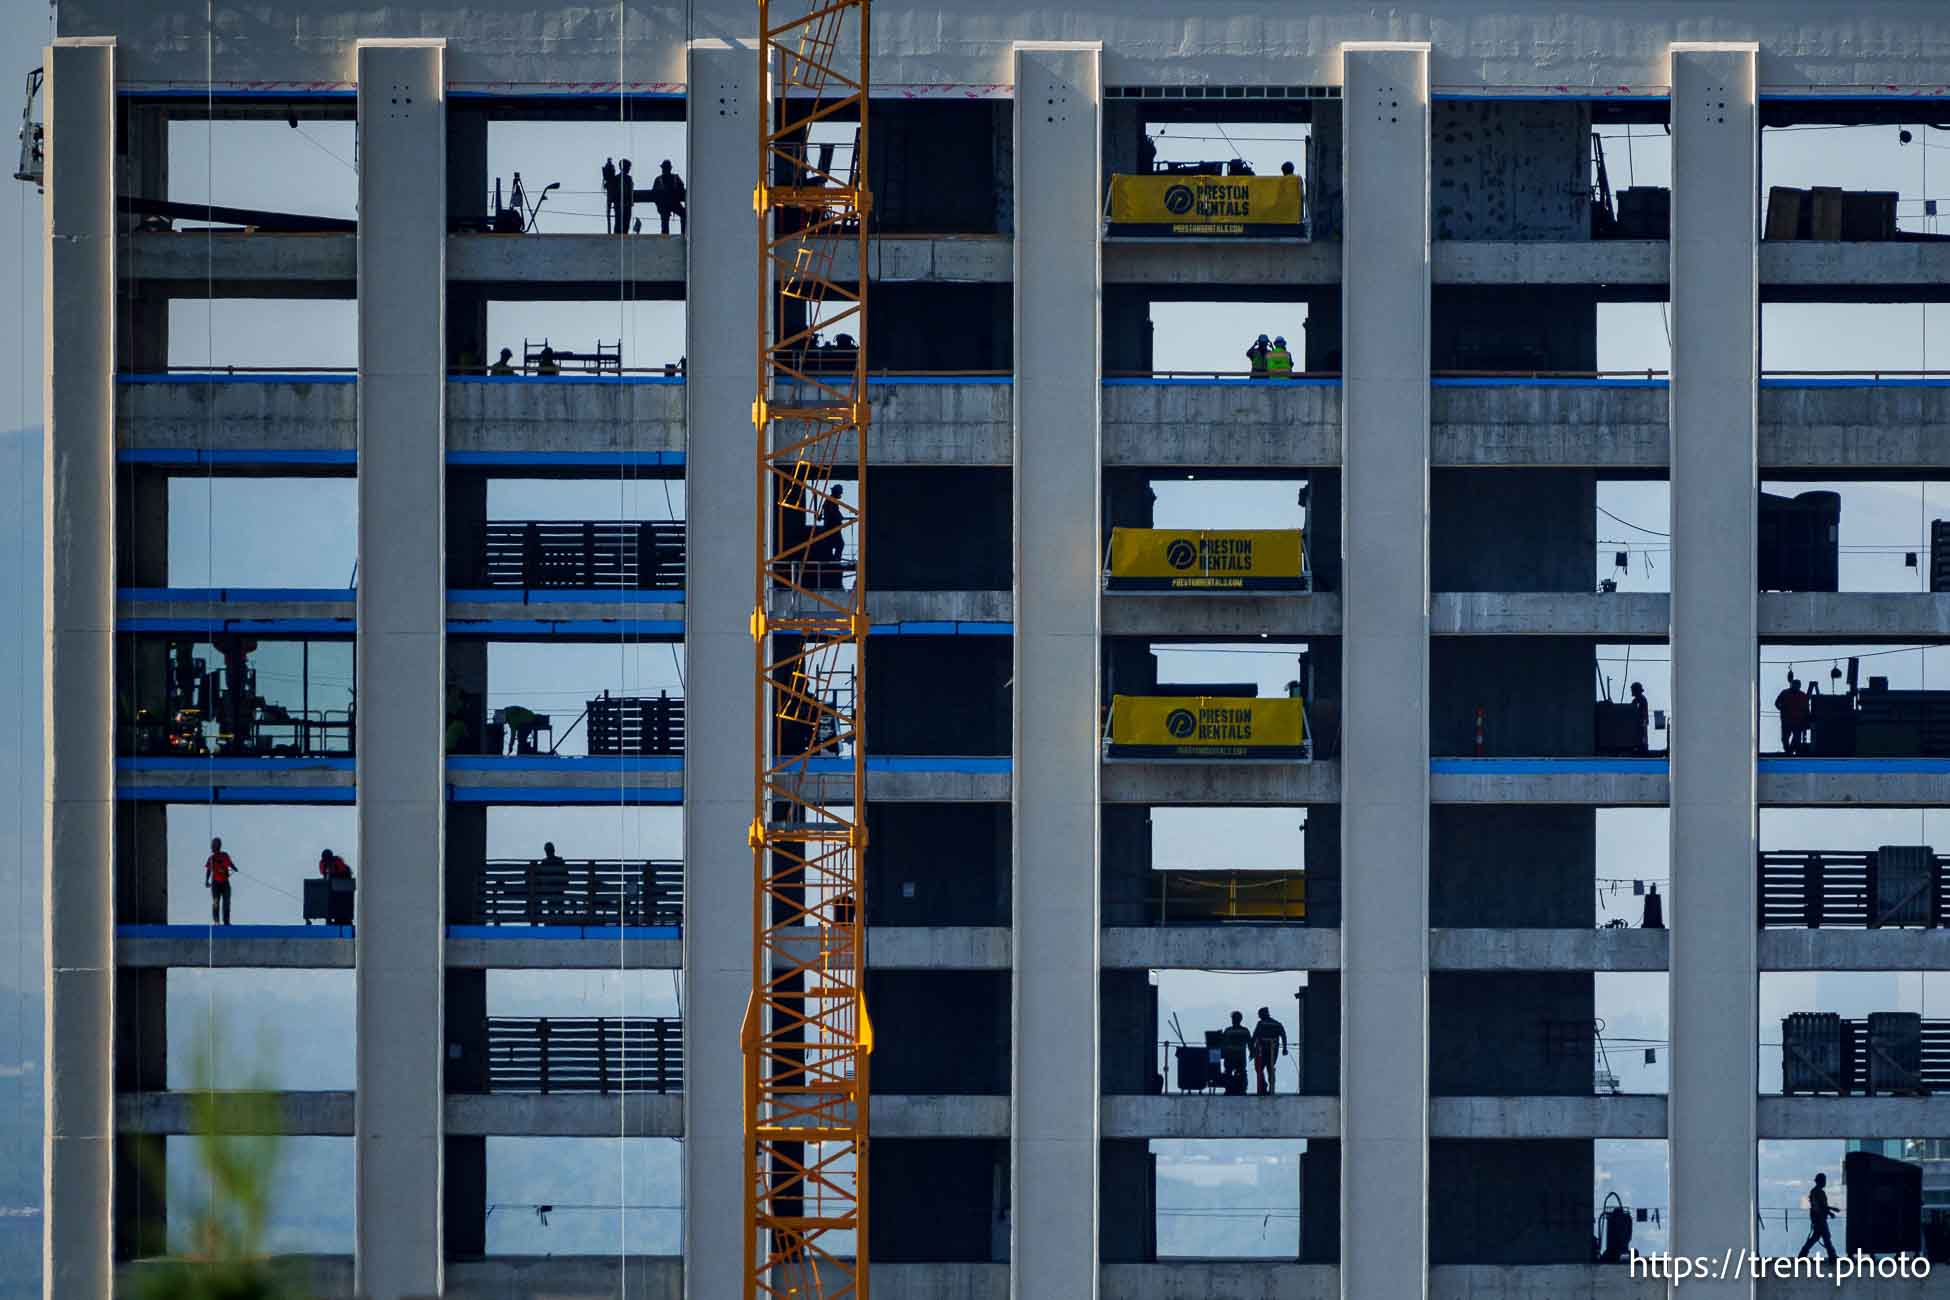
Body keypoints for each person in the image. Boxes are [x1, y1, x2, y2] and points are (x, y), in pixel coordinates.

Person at [1798, 1172, 1839, 1261]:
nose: (1825, 1182)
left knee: (1816, 1237)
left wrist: (1830, 1211)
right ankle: (1832, 1256)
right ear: (1820, 1181)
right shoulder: (1819, 1192)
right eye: (1824, 1180)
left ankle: (1802, 1254)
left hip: (1817, 1218)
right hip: (1820, 1219)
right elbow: (1822, 1206)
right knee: (1825, 1237)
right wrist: (1832, 1211)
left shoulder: (1814, 1192)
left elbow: (1820, 1206)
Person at [1250, 1006, 1289, 1095]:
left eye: (1260, 1015)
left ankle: (1263, 1087)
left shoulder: (1260, 1024)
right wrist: (1284, 1048)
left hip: (1261, 1051)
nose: (1259, 1016)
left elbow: (1254, 1036)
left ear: (1263, 1014)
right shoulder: (1277, 1024)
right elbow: (1283, 1036)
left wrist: (1252, 1050)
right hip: (1273, 1051)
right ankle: (1271, 1088)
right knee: (1270, 1068)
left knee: (1259, 1069)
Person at [1218, 1011, 1254, 1095]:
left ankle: (1229, 1090)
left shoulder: (1228, 1031)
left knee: (1228, 1073)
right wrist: (1251, 1053)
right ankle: (1242, 1089)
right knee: (1242, 1073)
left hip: (1229, 1056)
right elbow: (1250, 1043)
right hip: (1240, 1056)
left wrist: (1222, 1054)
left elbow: (1222, 1043)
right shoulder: (1245, 1031)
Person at [648, 160, 687, 236]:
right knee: (665, 221)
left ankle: (683, 233)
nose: (664, 170)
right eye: (664, 168)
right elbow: (654, 195)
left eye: (666, 168)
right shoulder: (658, 180)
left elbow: (682, 189)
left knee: (684, 215)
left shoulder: (675, 178)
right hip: (664, 205)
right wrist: (659, 207)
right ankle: (665, 235)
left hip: (674, 203)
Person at [1775, 672, 1810, 754]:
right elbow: (1777, 703)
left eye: (1797, 685)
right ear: (1792, 685)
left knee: (1796, 740)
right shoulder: (1785, 693)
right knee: (1785, 739)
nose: (1796, 687)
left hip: (1797, 722)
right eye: (1795, 685)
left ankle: (1791, 752)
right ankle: (1788, 751)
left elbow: (1806, 709)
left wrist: (1806, 719)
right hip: (1787, 721)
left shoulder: (1802, 696)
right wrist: (1782, 709)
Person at [204, 836, 235, 926]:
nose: (213, 847)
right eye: (213, 846)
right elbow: (208, 870)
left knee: (226, 902)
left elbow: (230, 863)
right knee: (216, 902)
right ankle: (216, 921)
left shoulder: (224, 855)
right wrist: (206, 881)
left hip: (225, 883)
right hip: (216, 884)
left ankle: (226, 921)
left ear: (219, 846)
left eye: (215, 845)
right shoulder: (211, 858)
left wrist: (235, 868)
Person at [1629, 681, 1650, 754]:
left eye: (1633, 690)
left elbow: (1642, 713)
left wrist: (1643, 723)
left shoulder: (1642, 699)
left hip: (1641, 723)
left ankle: (1642, 749)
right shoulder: (1636, 700)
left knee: (1642, 738)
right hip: (1639, 723)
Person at [616, 159, 636, 235]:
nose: (629, 169)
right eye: (628, 167)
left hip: (627, 205)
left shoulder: (628, 179)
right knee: (619, 224)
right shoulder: (617, 179)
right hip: (621, 205)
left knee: (626, 224)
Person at [602, 157, 620, 234]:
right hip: (610, 187)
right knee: (608, 210)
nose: (609, 161)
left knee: (610, 208)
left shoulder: (611, 166)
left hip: (612, 188)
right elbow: (606, 176)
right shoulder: (607, 166)